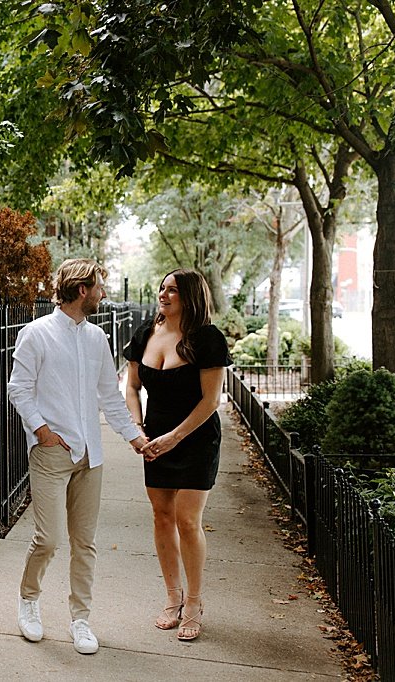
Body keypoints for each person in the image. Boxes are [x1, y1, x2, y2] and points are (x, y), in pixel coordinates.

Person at [7, 258, 147, 653]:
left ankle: (80, 620)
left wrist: (135, 438)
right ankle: (29, 601)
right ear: (82, 289)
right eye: (99, 287)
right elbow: (19, 388)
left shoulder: (97, 338)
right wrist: (42, 431)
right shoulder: (35, 334)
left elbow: (109, 397)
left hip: (91, 456)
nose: (104, 295)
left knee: (85, 543)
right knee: (48, 539)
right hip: (52, 454)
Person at [123, 269, 232, 642]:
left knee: (188, 521)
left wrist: (175, 437)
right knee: (161, 515)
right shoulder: (144, 334)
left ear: (189, 297)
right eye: (162, 288)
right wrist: (137, 430)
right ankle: (173, 597)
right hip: (153, 440)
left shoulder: (207, 339)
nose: (164, 294)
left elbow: (211, 400)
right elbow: (132, 387)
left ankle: (195, 603)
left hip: (196, 439)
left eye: (173, 290)